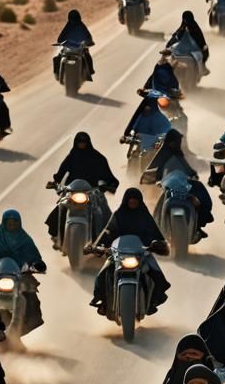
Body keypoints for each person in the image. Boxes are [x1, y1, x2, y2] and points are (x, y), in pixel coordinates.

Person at [90, 188, 169, 317]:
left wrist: (158, 244)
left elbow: (154, 233)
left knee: (158, 275)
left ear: (139, 202)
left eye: (135, 202)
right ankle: (103, 303)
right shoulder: (118, 215)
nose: (132, 204)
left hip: (142, 253)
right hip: (118, 254)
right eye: (130, 202)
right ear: (126, 201)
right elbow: (108, 231)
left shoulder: (145, 216)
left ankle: (152, 302)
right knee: (101, 275)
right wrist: (98, 246)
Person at [0, 209, 46, 335]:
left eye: (14, 223)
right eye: (9, 223)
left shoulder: (26, 241)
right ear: (3, 223)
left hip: (21, 276)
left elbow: (34, 257)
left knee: (32, 301)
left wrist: (37, 264)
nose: (12, 225)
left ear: (19, 224)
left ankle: (22, 327)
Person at [47, 131, 118, 242]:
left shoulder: (98, 158)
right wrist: (55, 182)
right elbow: (61, 171)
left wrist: (109, 185)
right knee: (61, 207)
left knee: (102, 213)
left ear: (88, 143)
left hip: (92, 192)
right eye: (79, 142)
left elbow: (108, 176)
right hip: (73, 191)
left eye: (84, 142)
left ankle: (101, 241)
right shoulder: (72, 156)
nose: (81, 145)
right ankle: (58, 237)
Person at [145, 128, 213, 235]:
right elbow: (156, 170)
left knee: (201, 196)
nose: (177, 143)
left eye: (178, 141)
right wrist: (158, 180)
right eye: (175, 141)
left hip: (184, 184)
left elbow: (186, 167)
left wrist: (193, 174)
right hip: (168, 186)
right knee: (157, 211)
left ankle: (197, 224)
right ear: (170, 142)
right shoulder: (163, 155)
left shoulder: (179, 154)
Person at [55, 9, 95, 81]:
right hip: (68, 49)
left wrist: (88, 42)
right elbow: (60, 38)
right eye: (73, 18)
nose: (74, 20)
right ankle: (58, 74)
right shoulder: (69, 27)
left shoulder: (80, 26)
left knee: (87, 56)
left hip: (80, 48)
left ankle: (90, 71)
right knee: (57, 58)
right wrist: (62, 42)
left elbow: (88, 37)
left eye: (75, 18)